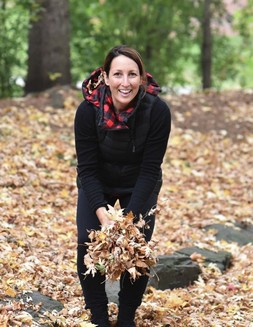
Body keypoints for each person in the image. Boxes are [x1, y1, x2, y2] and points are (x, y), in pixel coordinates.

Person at [74, 45, 171, 327]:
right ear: (105, 77)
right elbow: (87, 169)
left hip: (139, 181)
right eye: (117, 74)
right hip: (98, 180)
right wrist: (102, 213)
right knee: (86, 241)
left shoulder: (158, 111)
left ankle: (127, 316)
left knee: (137, 244)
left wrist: (128, 221)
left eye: (132, 75)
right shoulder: (86, 111)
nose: (124, 82)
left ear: (142, 78)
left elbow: (151, 169)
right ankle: (99, 317)